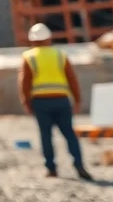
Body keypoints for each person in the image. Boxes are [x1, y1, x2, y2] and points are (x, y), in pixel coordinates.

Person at [18, 23, 92, 180]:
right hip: (61, 100)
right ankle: (79, 165)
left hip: (41, 102)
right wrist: (77, 100)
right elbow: (72, 79)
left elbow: (24, 83)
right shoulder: (60, 55)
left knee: (46, 135)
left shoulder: (29, 57)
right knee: (69, 134)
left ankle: (51, 168)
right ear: (48, 38)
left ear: (33, 40)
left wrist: (26, 102)